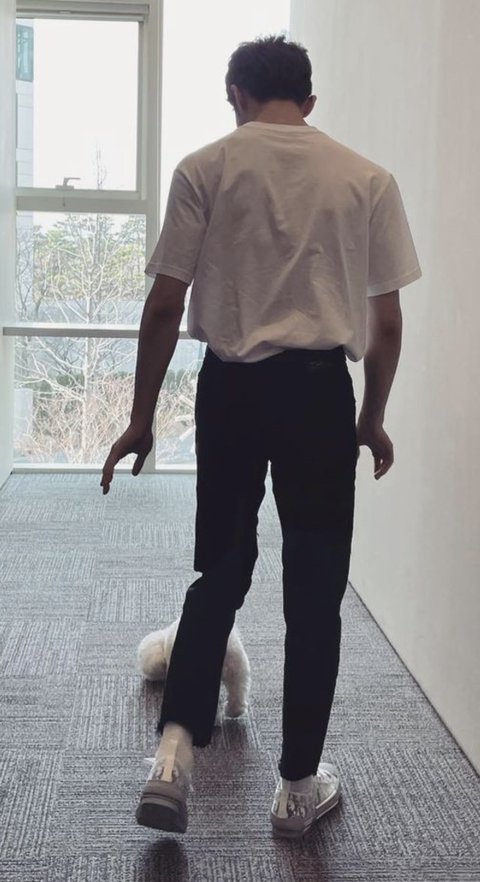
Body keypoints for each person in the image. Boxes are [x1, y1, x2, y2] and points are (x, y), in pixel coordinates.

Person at [101, 34, 422, 838]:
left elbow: (164, 304)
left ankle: (174, 755)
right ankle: (296, 787)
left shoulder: (204, 168)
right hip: (318, 392)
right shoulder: (367, 179)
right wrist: (371, 417)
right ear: (309, 101)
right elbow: (385, 324)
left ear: (234, 95)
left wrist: (141, 417)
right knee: (316, 587)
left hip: (231, 389)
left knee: (221, 567)